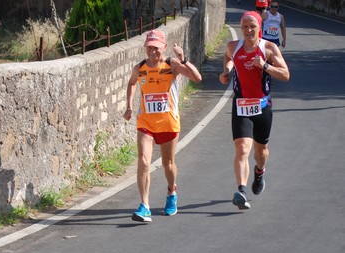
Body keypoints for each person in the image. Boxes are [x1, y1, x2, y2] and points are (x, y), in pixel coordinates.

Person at [123, 28, 202, 222]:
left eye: (156, 48)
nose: (153, 52)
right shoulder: (139, 68)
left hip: (168, 123)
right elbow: (132, 83)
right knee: (143, 161)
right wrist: (129, 106)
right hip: (146, 123)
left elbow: (197, 78)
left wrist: (183, 60)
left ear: (164, 47)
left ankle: (171, 192)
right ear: (145, 48)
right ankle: (145, 205)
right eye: (150, 47)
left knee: (168, 164)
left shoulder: (171, 65)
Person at [218, 11, 290, 210]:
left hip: (263, 106)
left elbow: (285, 74)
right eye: (245, 27)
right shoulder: (234, 47)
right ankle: (241, 190)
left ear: (260, 28)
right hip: (241, 105)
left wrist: (265, 65)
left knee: (261, 151)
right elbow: (227, 57)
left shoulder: (268, 48)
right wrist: (226, 71)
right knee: (242, 149)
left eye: (252, 26)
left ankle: (260, 172)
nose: (248, 30)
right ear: (241, 29)